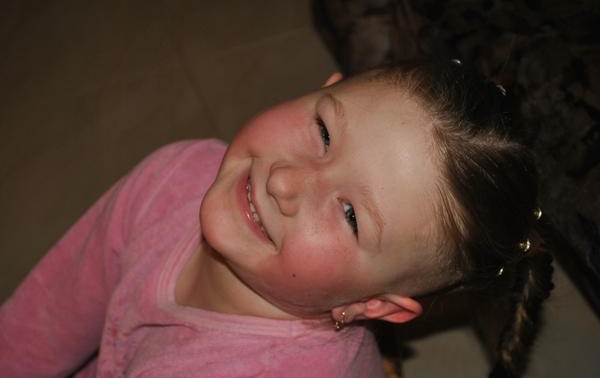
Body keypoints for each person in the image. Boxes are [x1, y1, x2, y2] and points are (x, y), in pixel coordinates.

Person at [0, 59, 554, 378]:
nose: (286, 182)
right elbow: (44, 319)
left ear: (373, 306)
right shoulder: (176, 175)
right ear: (324, 87)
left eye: (351, 216)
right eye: (324, 132)